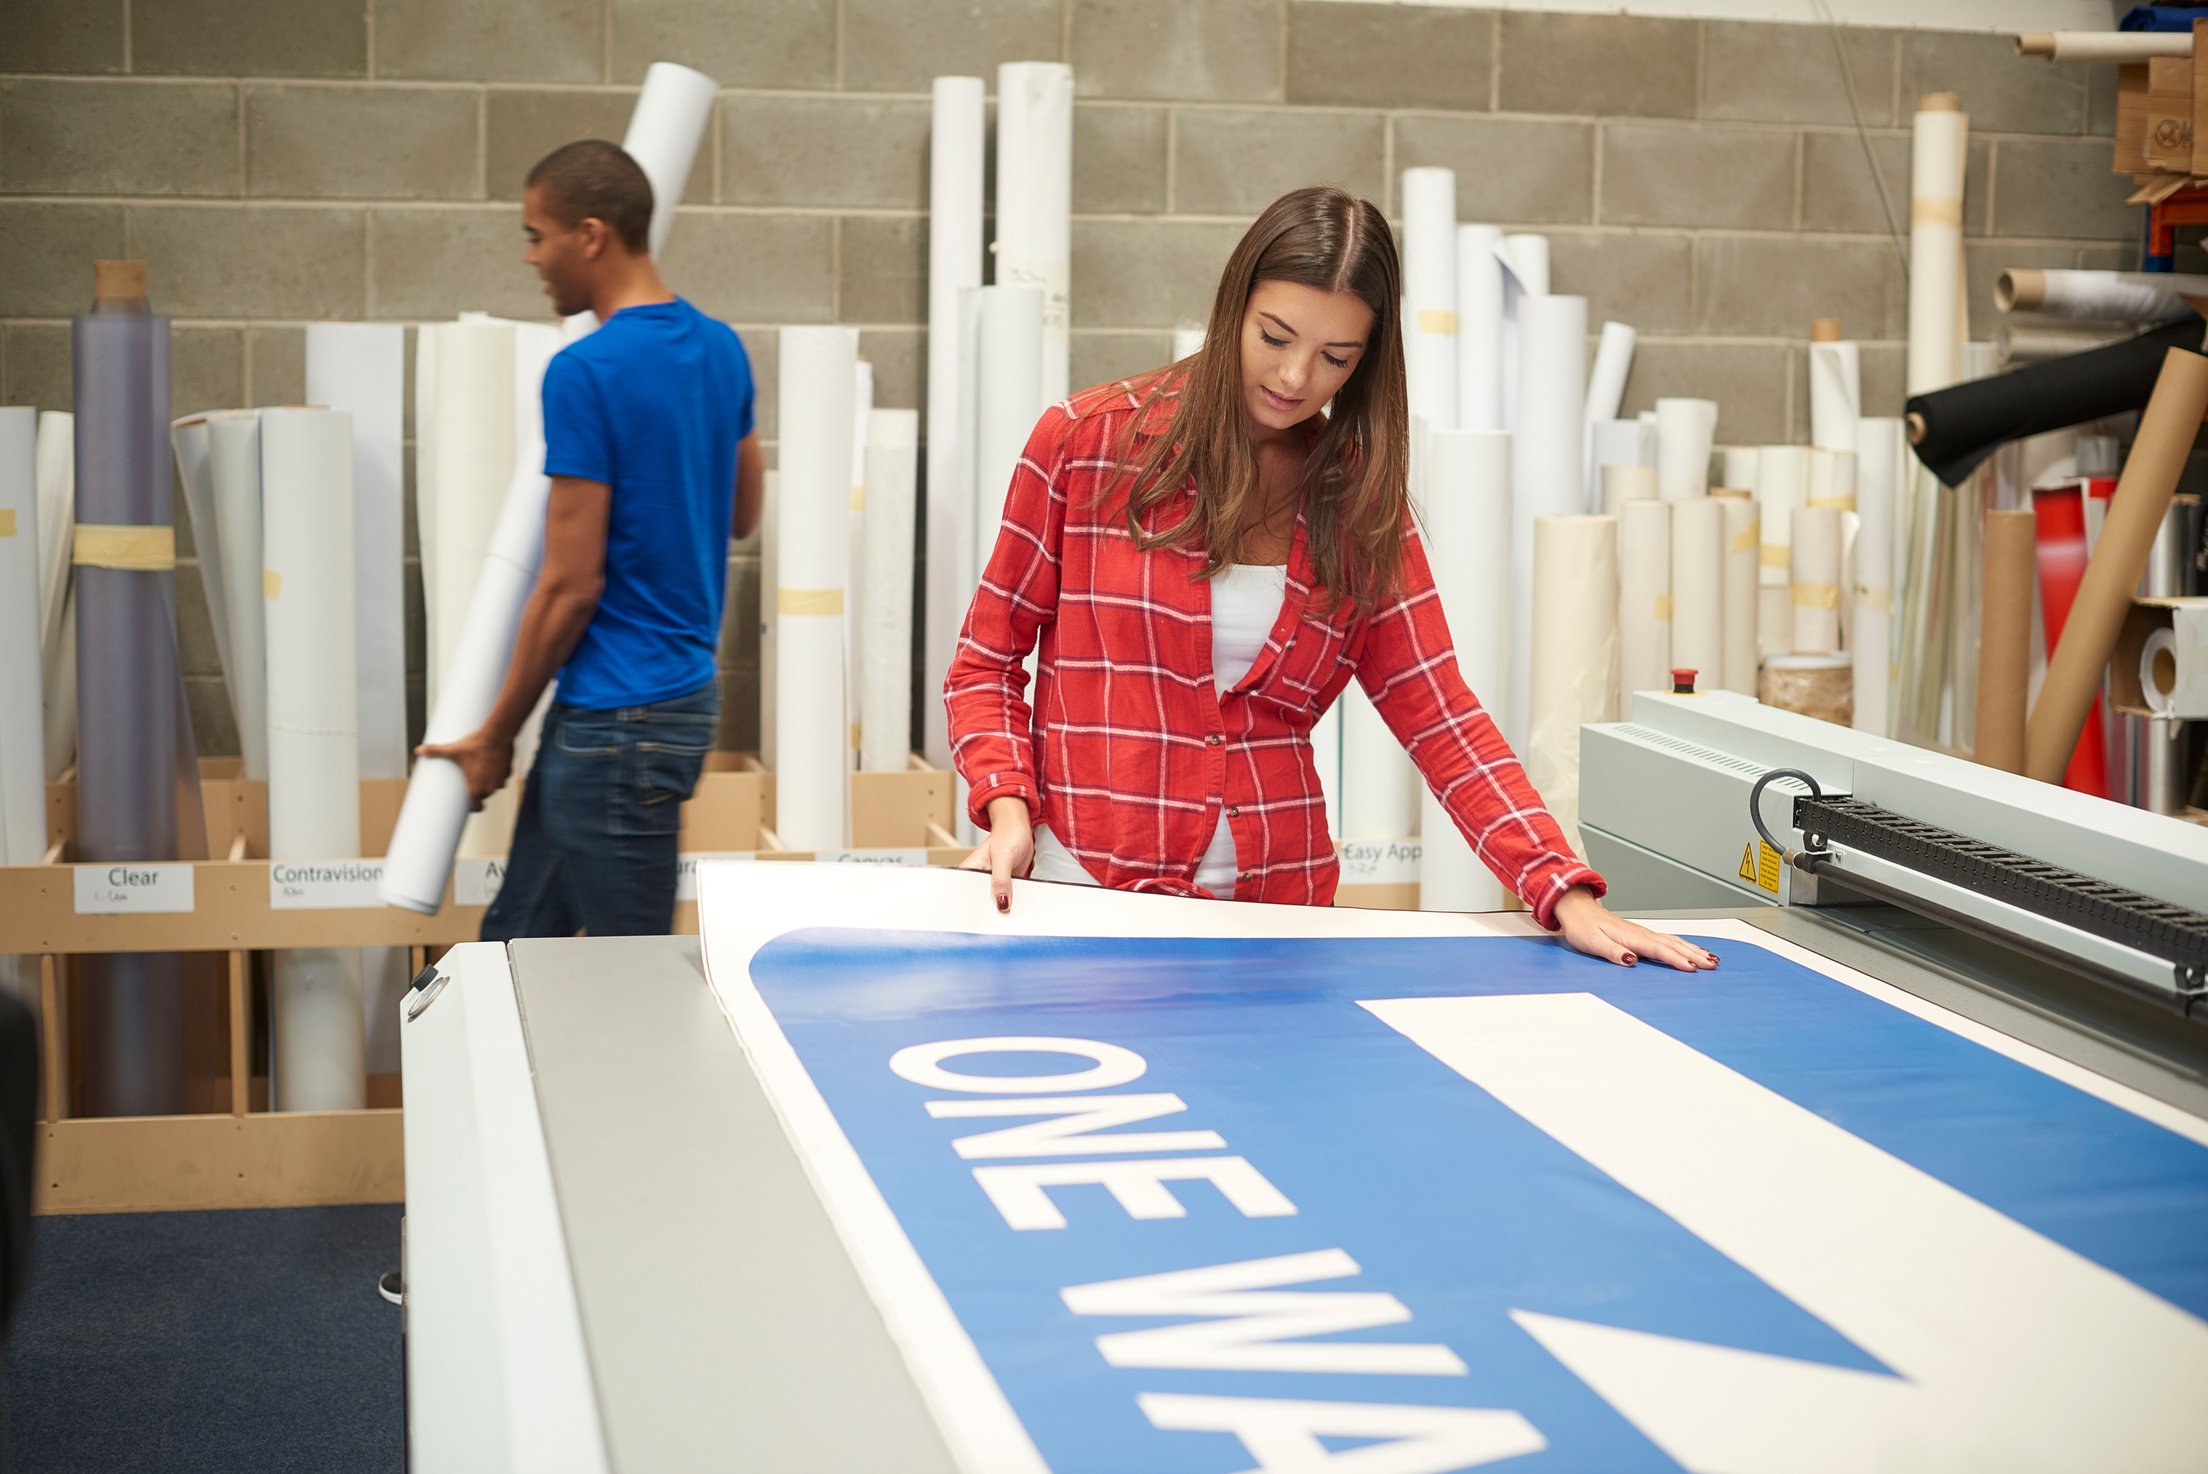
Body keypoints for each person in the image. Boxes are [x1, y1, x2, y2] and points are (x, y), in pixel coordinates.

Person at [947, 187, 1714, 972]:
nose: (1293, 376)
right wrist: (1008, 807)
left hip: (1279, 922)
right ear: (1232, 306)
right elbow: (986, 662)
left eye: (1335, 359)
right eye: (1274, 336)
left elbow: (1441, 716)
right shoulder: (1087, 443)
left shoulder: (1355, 501)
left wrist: (1561, 888)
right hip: (1088, 898)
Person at [420, 140, 763, 940]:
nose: (532, 257)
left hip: (620, 724)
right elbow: (743, 512)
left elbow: (571, 585)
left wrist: (494, 735)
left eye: (536, 234)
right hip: (661, 705)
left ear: (591, 233)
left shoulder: (585, 370)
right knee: (513, 952)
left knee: (629, 976)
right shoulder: (720, 347)